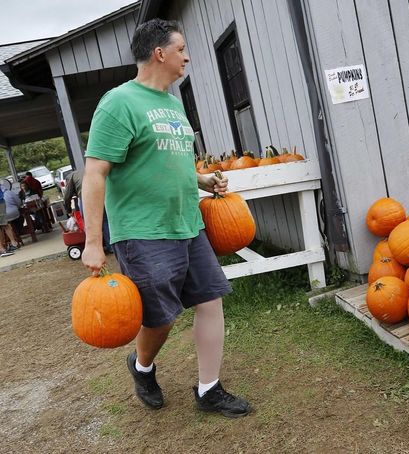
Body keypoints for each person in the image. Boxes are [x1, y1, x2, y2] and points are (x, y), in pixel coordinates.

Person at [81, 18, 251, 418]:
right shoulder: (118, 103)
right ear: (160, 53)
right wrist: (91, 241)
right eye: (182, 50)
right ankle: (142, 367)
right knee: (160, 319)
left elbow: (166, 162)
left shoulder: (173, 104)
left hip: (187, 223)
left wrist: (203, 181)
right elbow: (94, 172)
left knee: (210, 300)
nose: (187, 57)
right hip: (143, 232)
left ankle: (209, 389)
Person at [64, 169, 112, 253]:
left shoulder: (70, 177)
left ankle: (95, 249)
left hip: (86, 197)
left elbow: (67, 196)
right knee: (104, 221)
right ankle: (110, 246)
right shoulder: (86, 170)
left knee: (88, 223)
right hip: (101, 194)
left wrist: (68, 211)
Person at [0, 186, 20, 257]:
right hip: (1, 201)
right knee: (5, 224)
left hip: (1, 201)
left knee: (5, 224)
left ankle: (2, 249)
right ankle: (13, 244)